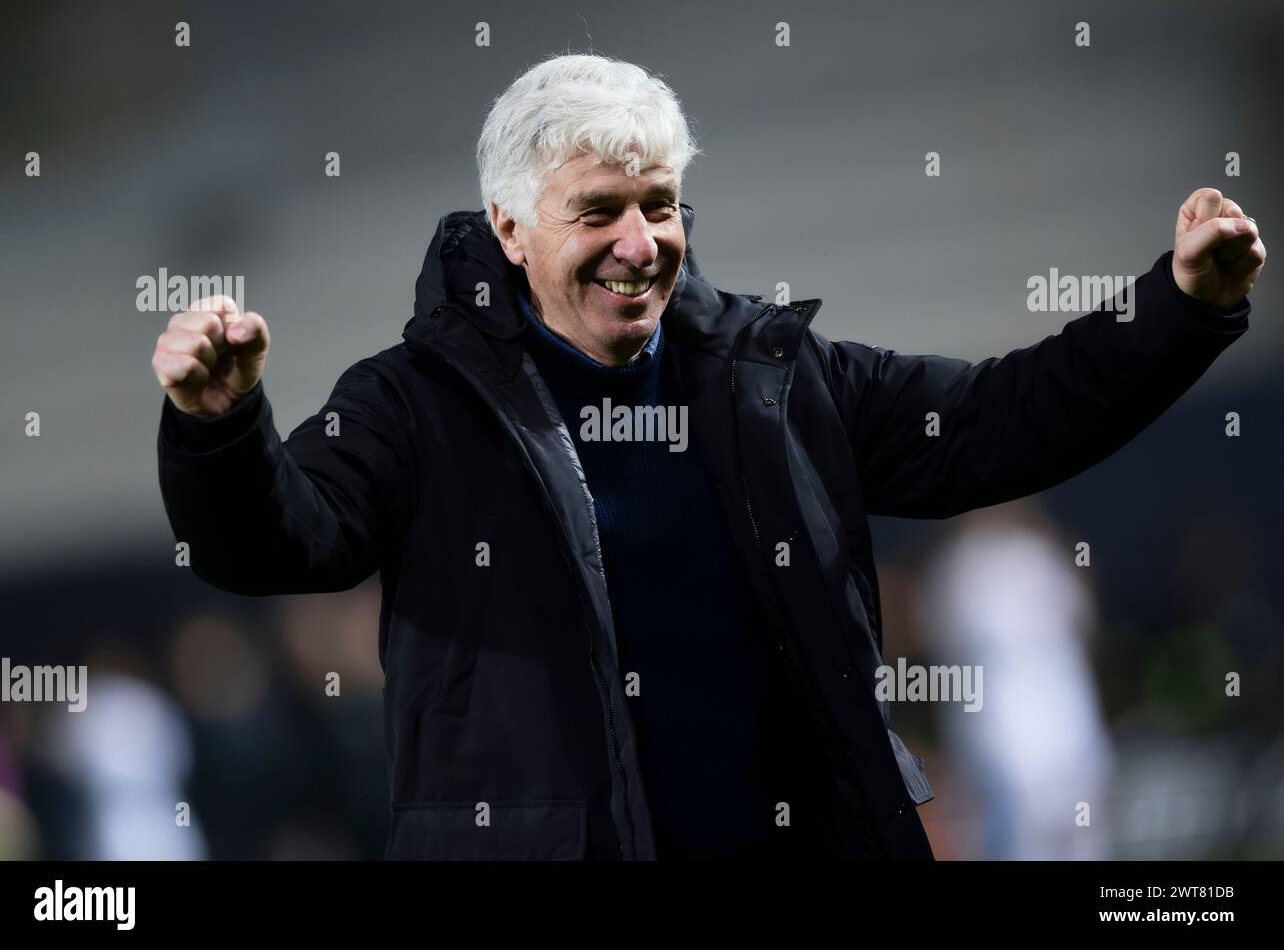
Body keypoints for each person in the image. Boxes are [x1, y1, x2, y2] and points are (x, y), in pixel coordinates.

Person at [150, 53, 1265, 860]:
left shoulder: (773, 377)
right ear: (508, 228)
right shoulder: (410, 402)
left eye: (660, 205)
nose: (640, 246)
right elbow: (274, 540)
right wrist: (219, 426)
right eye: (598, 212)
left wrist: (1175, 308)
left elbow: (997, 417)